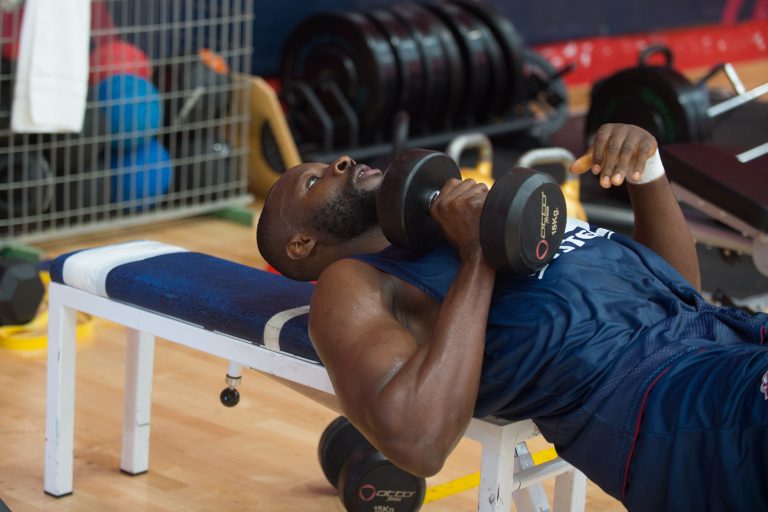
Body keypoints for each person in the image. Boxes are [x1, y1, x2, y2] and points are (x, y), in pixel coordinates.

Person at [256, 123, 768, 511]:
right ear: (301, 244)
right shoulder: (358, 282)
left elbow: (681, 295)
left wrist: (647, 174)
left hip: (730, 347)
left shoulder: (455, 219)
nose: (341, 162)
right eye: (313, 180)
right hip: (672, 407)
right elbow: (417, 442)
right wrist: (477, 254)